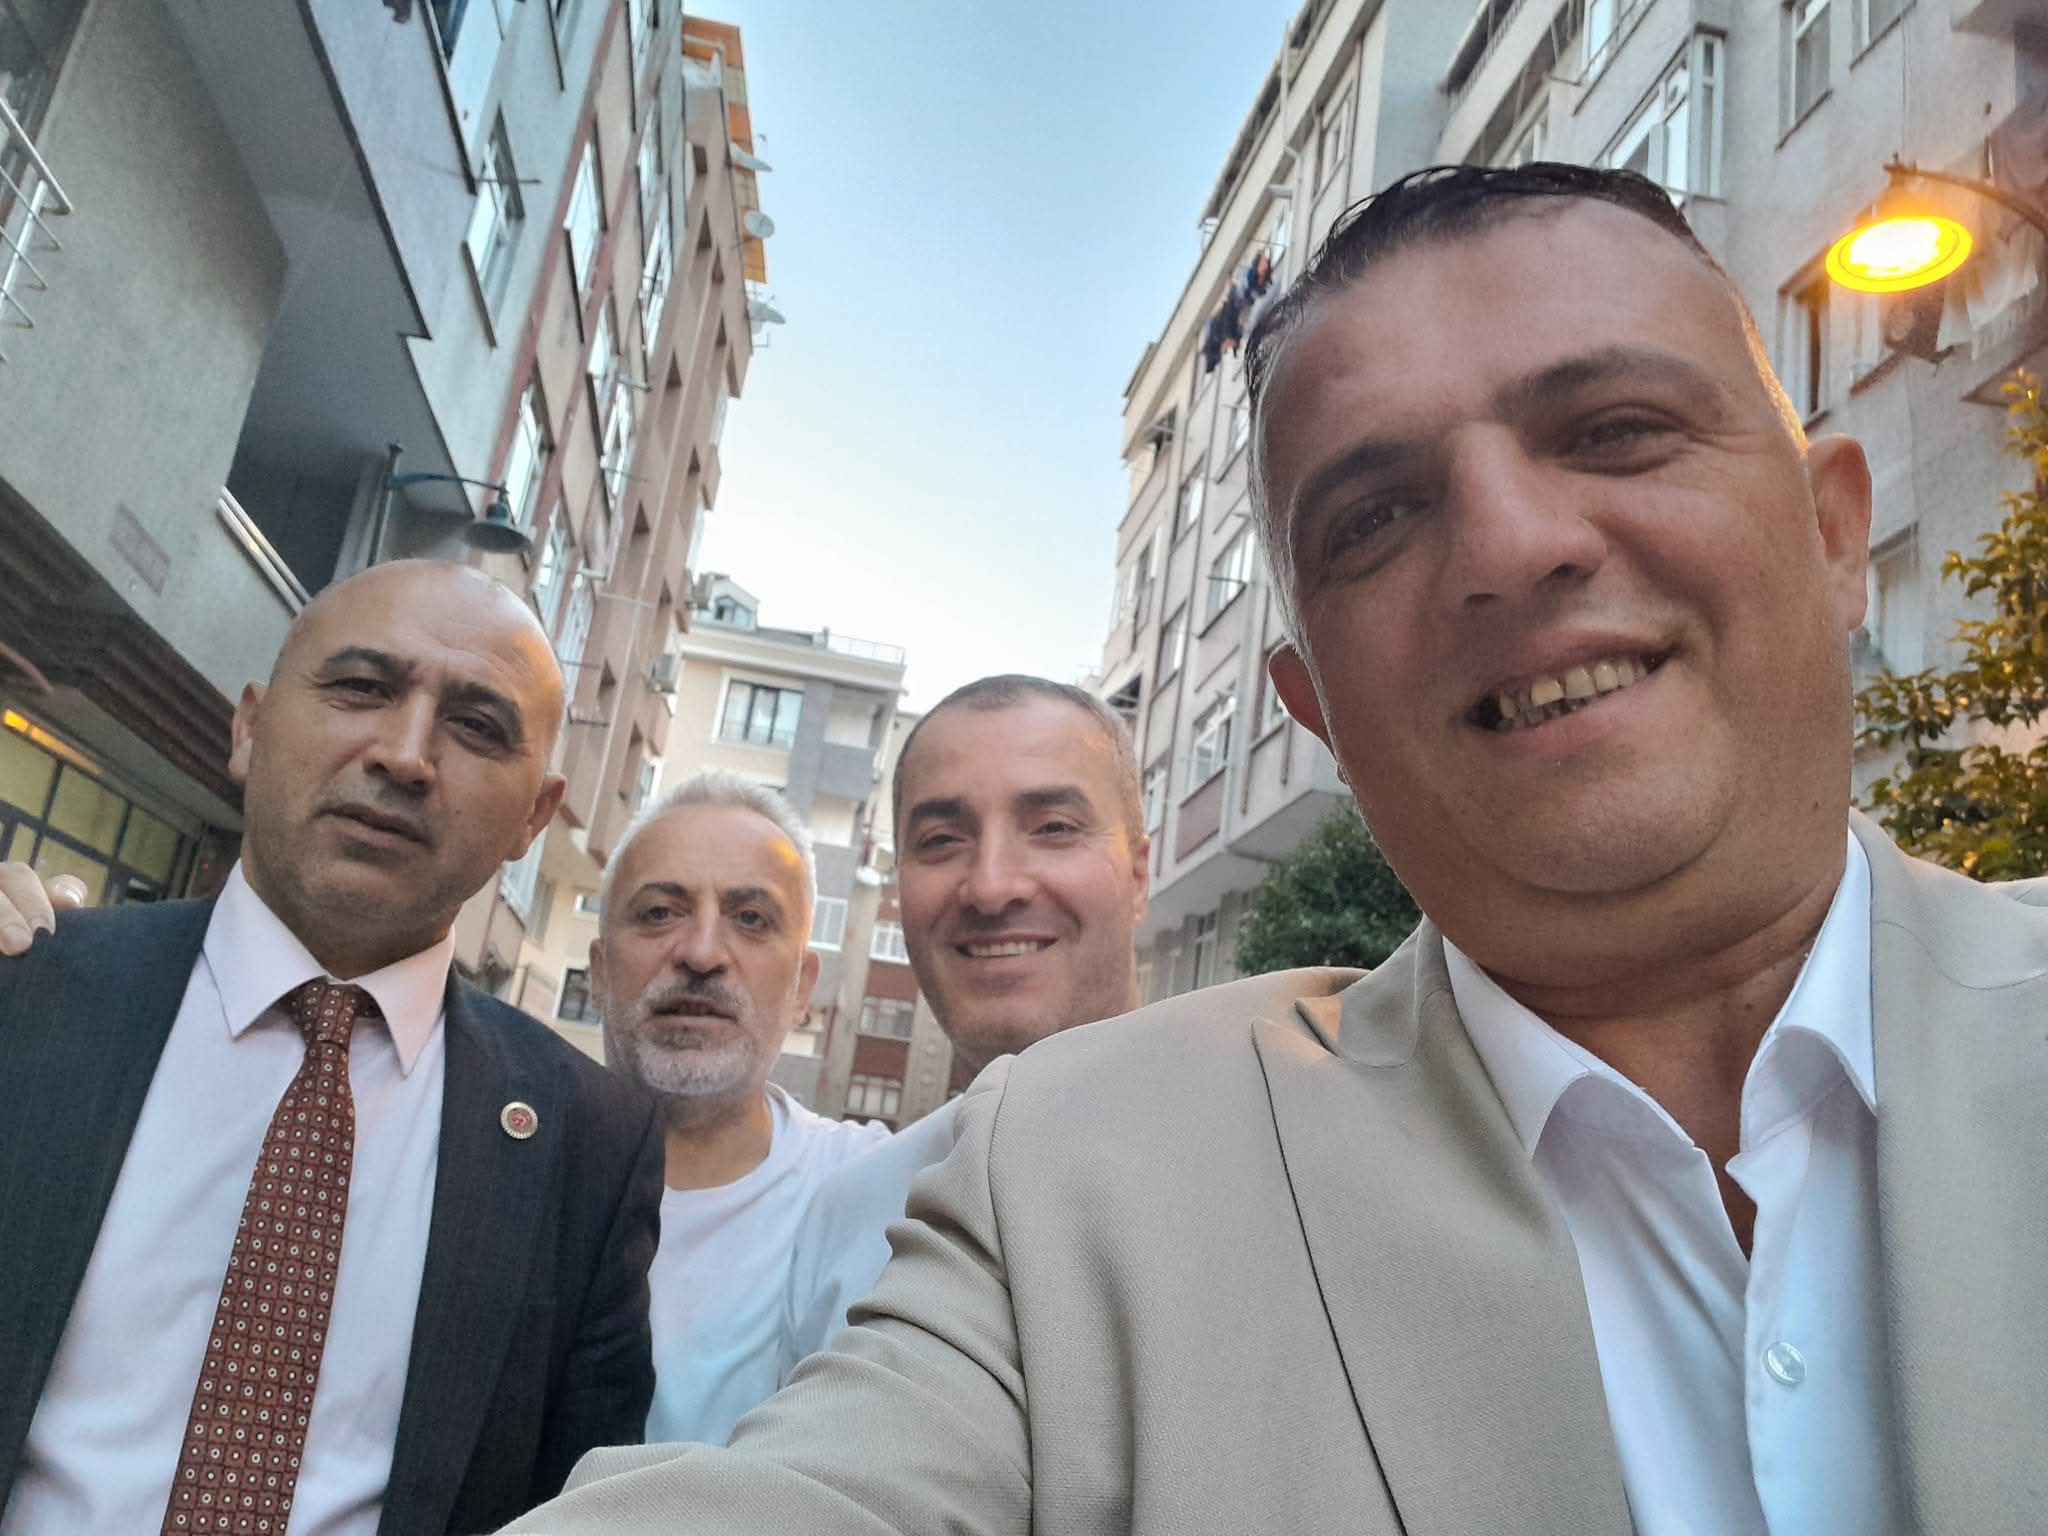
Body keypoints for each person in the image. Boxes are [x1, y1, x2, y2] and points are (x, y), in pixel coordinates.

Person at [500, 163, 2048, 1534]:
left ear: (1836, 533)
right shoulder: (1074, 1180)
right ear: (1317, 711)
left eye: (1617, 432)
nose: (1512, 546)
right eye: (1373, 519)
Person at [0, 559, 663, 1536]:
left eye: (477, 727)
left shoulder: (590, 1142)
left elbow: (577, 1504)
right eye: (360, 687)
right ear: (250, 727)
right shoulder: (27, 992)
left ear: (534, 815)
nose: (405, 755)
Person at [778, 675, 1149, 1371]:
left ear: (1138, 875)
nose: (991, 886)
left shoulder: (1276, 1175)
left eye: (1053, 829)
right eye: (942, 840)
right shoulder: (848, 1215)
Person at [591, 771, 889, 1446]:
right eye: (659, 913)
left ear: (803, 988)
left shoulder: (877, 1192)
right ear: (600, 969)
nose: (701, 954)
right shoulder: (488, 1170)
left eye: (751, 919)